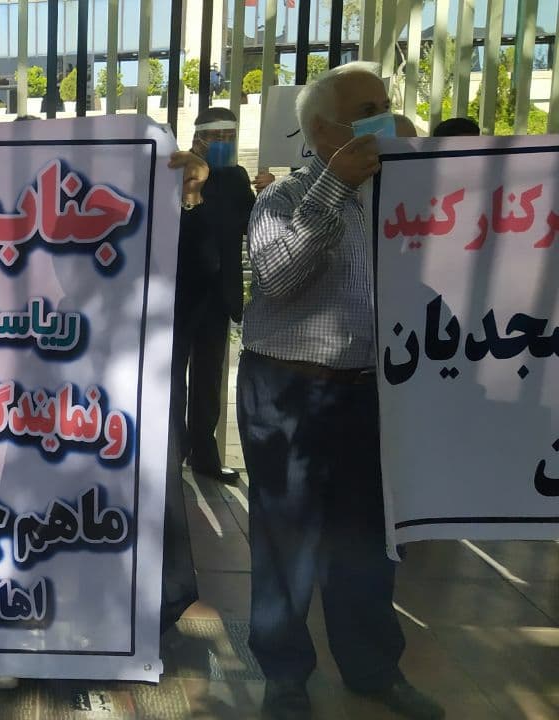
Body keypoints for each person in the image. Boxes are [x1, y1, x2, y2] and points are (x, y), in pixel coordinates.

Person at [240, 62, 444, 720]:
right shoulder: (281, 199)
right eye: (367, 109)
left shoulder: (402, 202)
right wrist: (334, 187)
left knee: (368, 539)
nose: (384, 114)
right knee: (285, 540)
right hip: (288, 390)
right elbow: (276, 277)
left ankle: (373, 668)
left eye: (385, 102)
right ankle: (285, 676)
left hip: (373, 393)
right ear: (325, 131)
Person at [0, 146, 214, 692]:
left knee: (125, 508)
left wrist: (190, 203)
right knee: (34, 505)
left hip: (128, 391)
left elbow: (197, 281)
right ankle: (20, 630)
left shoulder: (150, 299)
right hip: (62, 388)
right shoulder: (53, 314)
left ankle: (109, 623)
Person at [172, 107, 254, 486]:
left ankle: (205, 456)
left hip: (218, 295)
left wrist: (267, 193)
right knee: (173, 379)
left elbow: (250, 224)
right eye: (217, 136)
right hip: (178, 293)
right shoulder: (177, 170)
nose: (225, 143)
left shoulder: (236, 178)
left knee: (208, 380)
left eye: (230, 137)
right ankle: (173, 454)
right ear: (198, 137)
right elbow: (178, 229)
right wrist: (191, 194)